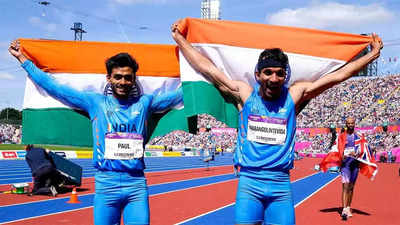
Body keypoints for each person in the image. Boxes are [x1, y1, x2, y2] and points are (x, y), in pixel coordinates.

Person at [172, 21, 382, 225]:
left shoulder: (294, 96)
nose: (274, 78)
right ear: (258, 74)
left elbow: (339, 76)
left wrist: (371, 55)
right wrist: (181, 40)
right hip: (249, 184)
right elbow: (207, 68)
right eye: (268, 72)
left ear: (285, 75)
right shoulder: (245, 95)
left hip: (280, 185)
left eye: (280, 73)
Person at [9, 41, 182, 225]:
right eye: (118, 77)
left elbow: (179, 95)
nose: (123, 82)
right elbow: (56, 89)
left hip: (136, 186)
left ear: (134, 80)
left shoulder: (144, 103)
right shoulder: (95, 103)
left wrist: (204, 76)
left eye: (128, 77)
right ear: (109, 78)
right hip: (106, 185)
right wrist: (24, 60)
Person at [339, 117, 360, 220]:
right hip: (345, 165)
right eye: (348, 123)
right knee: (345, 186)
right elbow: (339, 152)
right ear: (346, 124)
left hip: (355, 165)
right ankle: (344, 210)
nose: (350, 125)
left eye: (352, 123)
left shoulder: (359, 136)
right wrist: (345, 155)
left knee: (351, 187)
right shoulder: (342, 136)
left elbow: (363, 150)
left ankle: (348, 207)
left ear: (354, 123)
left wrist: (356, 153)